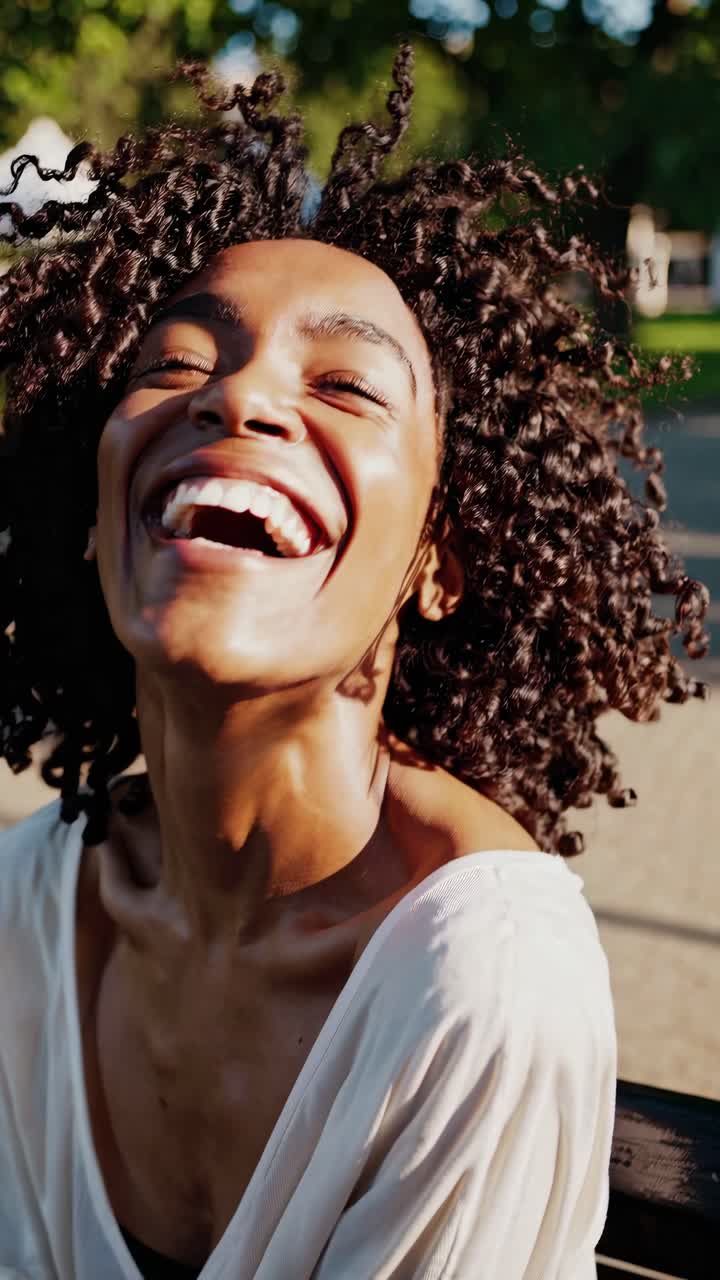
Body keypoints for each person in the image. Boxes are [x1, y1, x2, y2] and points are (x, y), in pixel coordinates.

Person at [0, 44, 709, 1280]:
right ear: (87, 501)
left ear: (442, 557)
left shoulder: (483, 982)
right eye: (177, 359)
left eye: (346, 383)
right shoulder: (21, 909)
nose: (240, 400)